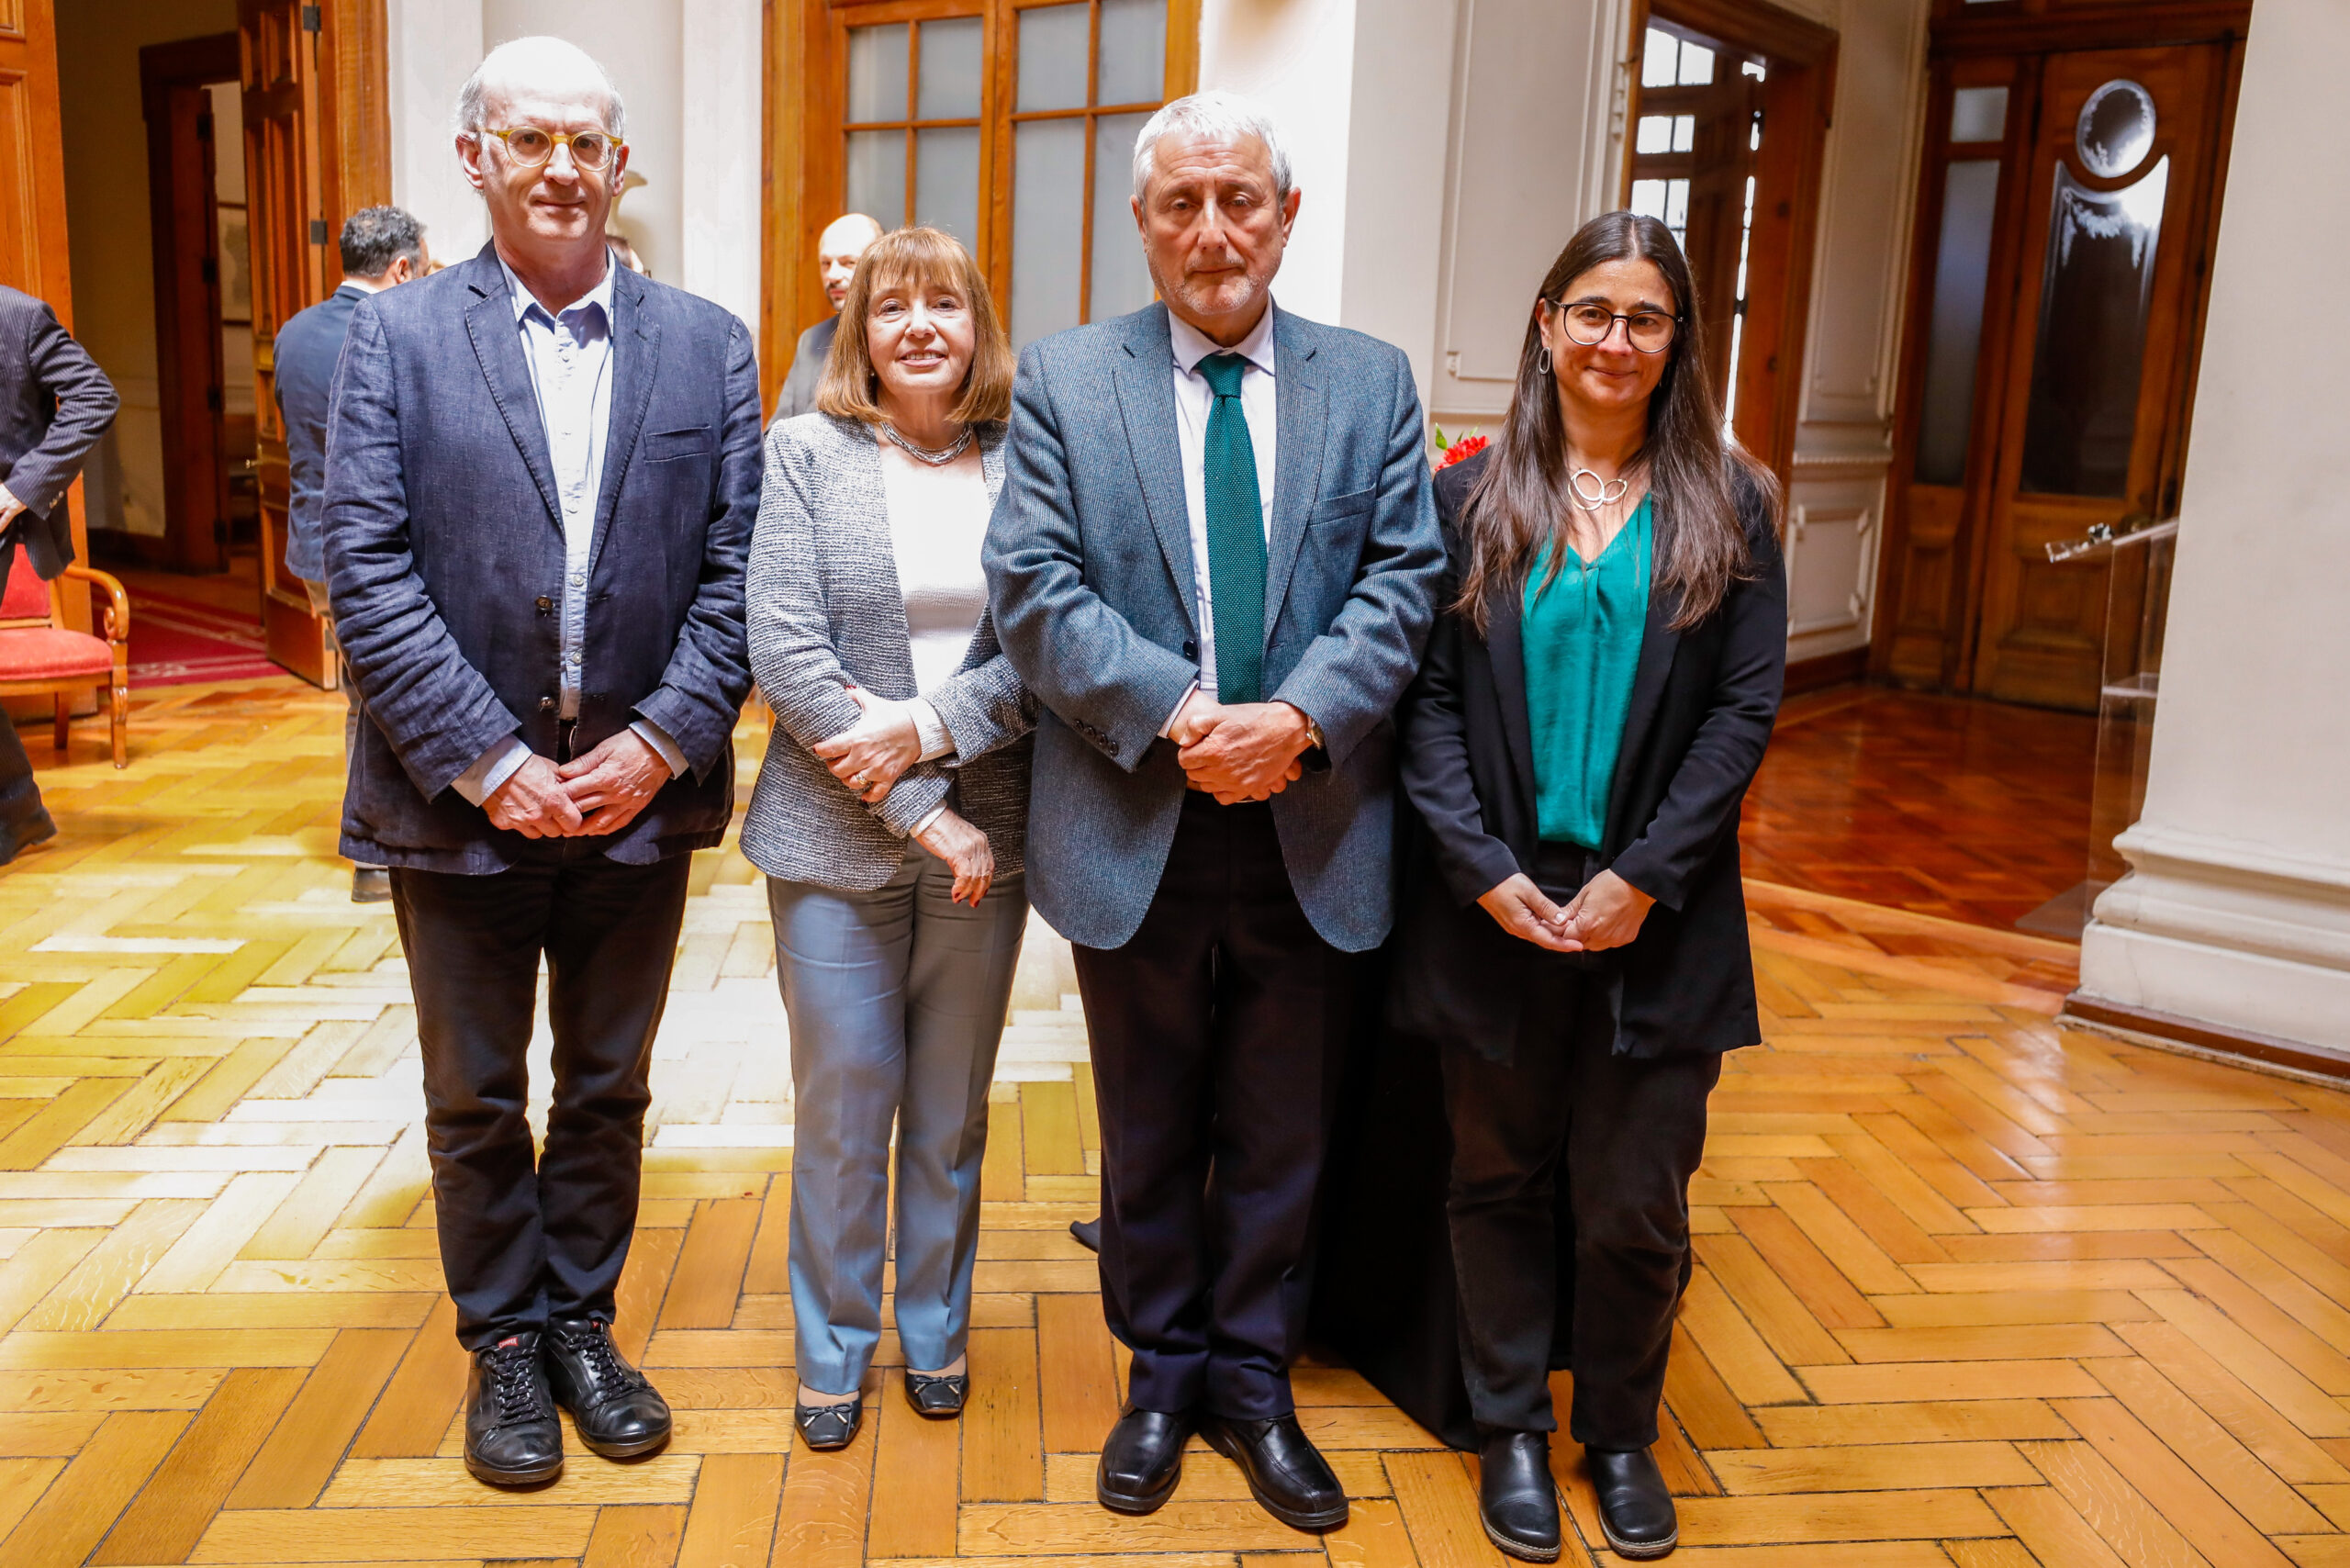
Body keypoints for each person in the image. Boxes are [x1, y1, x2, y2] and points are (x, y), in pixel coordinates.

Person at [983, 90, 1445, 1531]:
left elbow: (1405, 580)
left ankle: (1253, 1381)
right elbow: (1033, 588)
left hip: (1314, 819)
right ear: (1143, 224)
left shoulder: (1371, 382)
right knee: (1149, 1123)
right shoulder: (1067, 380)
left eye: (1239, 199)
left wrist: (1294, 722)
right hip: (1139, 812)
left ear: (1286, 215)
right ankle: (1162, 1374)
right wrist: (1186, 716)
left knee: (1281, 1127)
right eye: (1180, 204)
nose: (1212, 230)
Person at [321, 37, 760, 1488]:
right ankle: (504, 1342)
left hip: (639, 799)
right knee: (474, 1095)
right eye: (530, 140)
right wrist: (488, 759)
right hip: (458, 809)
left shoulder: (709, 344)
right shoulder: (393, 339)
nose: (562, 168)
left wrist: (661, 739)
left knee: (610, 1085)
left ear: (619, 163)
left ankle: (582, 1322)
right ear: (476, 159)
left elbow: (739, 570)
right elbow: (364, 566)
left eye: (587, 142)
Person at [1337, 211, 1785, 1562]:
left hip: (1660, 912)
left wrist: (1646, 877)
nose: (1615, 340)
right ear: (1546, 325)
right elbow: (1421, 703)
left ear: (1678, 338)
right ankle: (1512, 1431)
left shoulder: (1731, 502)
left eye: (1645, 317)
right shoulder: (1468, 500)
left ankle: (1623, 1435)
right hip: (1498, 910)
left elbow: (1744, 711)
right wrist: (1477, 868)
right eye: (1592, 311)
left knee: (1638, 1197)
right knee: (1496, 1179)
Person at [742, 226, 1033, 1451]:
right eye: (891, 305)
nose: (919, 326)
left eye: (945, 305)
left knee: (952, 1109)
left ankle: (935, 1329)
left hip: (992, 834)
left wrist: (925, 730)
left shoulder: (1028, 459)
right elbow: (783, 646)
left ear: (978, 329)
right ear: (856, 330)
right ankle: (834, 1349)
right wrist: (921, 809)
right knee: (845, 1108)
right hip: (832, 838)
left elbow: (1048, 647)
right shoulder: (805, 452)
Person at [274, 204, 428, 902]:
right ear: (401, 268)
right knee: (385, 698)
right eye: (423, 267)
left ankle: (383, 849)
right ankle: (380, 855)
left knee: (361, 694)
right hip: (379, 548)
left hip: (314, 546)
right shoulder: (394, 332)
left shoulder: (293, 331)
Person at [0, 284, 118, 860]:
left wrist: (19, 491)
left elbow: (96, 397)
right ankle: (19, 809)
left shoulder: (19, 316)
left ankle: (18, 811)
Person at [771, 213, 882, 423]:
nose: (832, 275)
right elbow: (777, 428)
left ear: (880, 267)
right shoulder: (810, 340)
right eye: (825, 263)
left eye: (848, 262)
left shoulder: (896, 338)